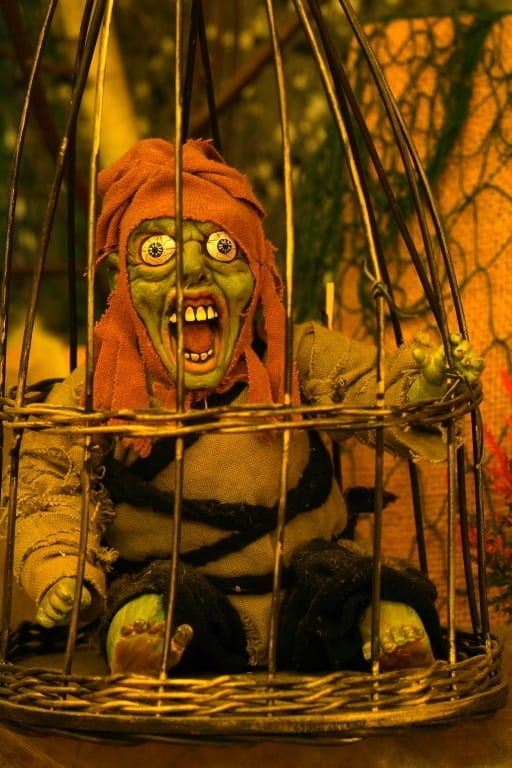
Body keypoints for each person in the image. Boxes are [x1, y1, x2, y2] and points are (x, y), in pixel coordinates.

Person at [5, 139, 484, 676]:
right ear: (122, 279)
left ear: (258, 273)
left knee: (354, 584)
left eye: (223, 249)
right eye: (157, 252)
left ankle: (384, 626)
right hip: (181, 593)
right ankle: (145, 641)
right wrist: (60, 565)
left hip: (305, 586)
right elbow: (47, 471)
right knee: (156, 596)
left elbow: (367, 385)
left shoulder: (292, 357)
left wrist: (421, 388)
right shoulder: (106, 380)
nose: (192, 271)